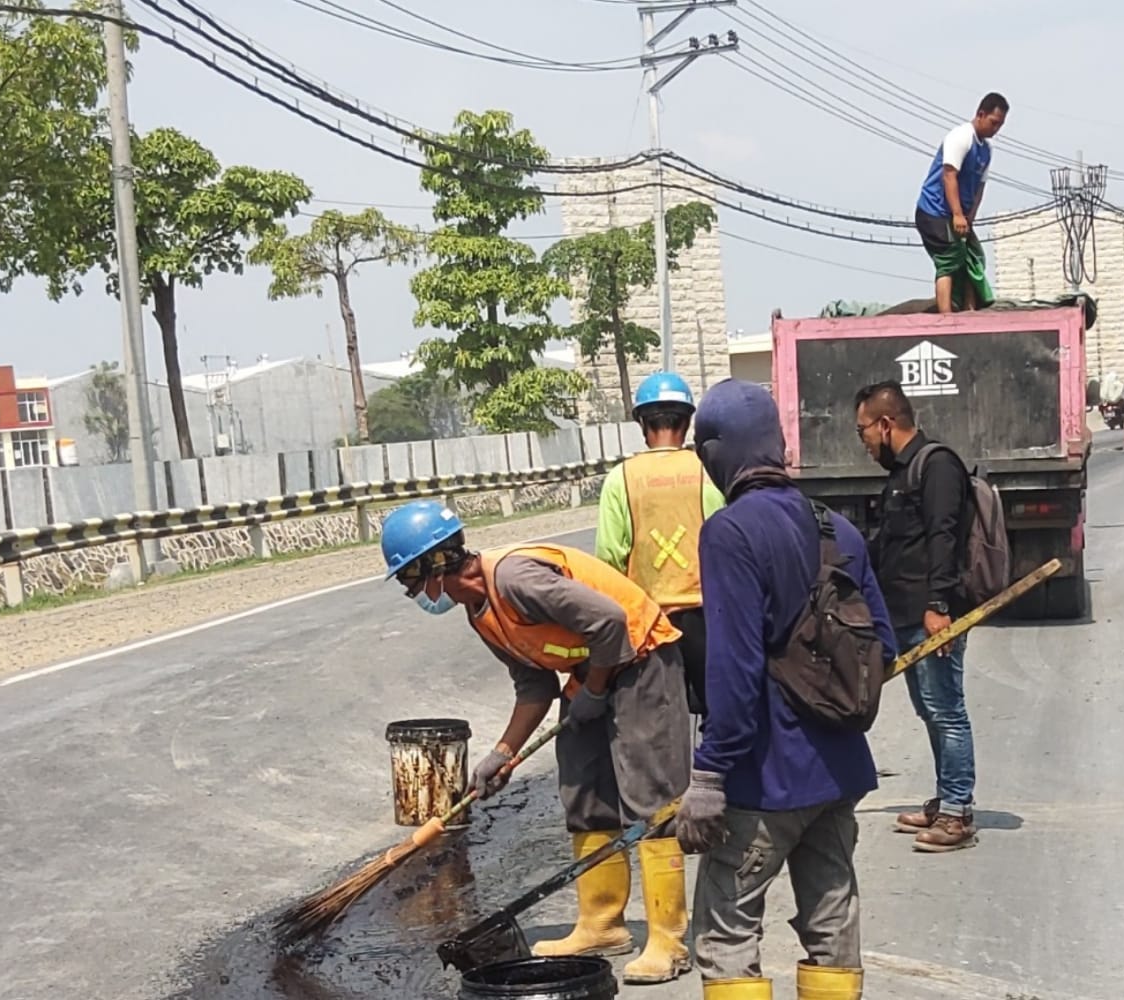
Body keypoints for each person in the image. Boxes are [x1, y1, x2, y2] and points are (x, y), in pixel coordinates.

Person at [379, 500, 694, 984]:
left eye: (409, 580)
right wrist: (502, 754)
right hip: (594, 673)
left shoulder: (516, 579)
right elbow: (535, 686)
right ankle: (602, 924)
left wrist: (593, 691)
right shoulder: (479, 612)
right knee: (584, 792)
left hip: (642, 658)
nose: (412, 594)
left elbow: (609, 621)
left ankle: (668, 941)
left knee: (650, 796)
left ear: (435, 564)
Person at [676, 379, 894, 1000]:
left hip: (765, 781)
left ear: (717, 454)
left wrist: (710, 775)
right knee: (831, 922)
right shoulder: (838, 530)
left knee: (726, 929)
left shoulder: (730, 532)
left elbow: (735, 670)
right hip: (840, 776)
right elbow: (884, 645)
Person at [853, 380, 978, 852]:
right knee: (929, 709)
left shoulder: (937, 466)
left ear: (886, 424)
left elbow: (944, 538)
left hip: (931, 614)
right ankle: (947, 798)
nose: (862, 441)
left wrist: (939, 607)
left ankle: (958, 813)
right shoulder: (902, 472)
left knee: (947, 709)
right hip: (904, 613)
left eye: (863, 429)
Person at [596, 371, 725, 722]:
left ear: (642, 422)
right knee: (719, 715)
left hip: (648, 623)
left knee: (658, 721)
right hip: (707, 618)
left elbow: (609, 558)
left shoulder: (621, 478)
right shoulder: (707, 470)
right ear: (686, 422)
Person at [914, 92, 1009, 315]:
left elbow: (979, 188)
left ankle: (969, 309)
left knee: (973, 256)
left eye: (1001, 125)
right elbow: (949, 175)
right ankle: (946, 317)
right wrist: (957, 214)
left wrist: (969, 218)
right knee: (950, 257)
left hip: (958, 215)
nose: (996, 129)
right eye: (994, 123)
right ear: (981, 114)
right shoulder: (961, 137)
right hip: (934, 212)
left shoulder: (986, 150)